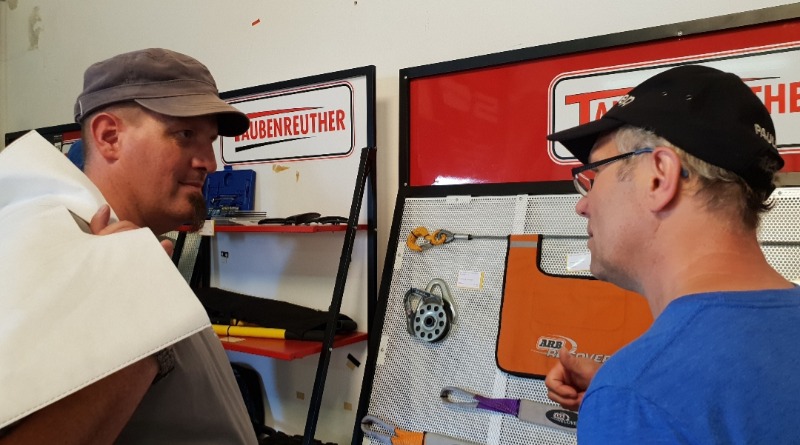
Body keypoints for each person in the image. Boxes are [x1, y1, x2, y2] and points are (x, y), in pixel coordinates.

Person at [0, 48, 258, 444]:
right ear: (109, 136)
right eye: (184, 135)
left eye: (210, 141)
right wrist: (136, 314)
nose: (209, 162)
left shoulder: (122, 247)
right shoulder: (59, 247)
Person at [543, 65, 800, 443]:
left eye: (595, 176)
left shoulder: (638, 396)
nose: (583, 206)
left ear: (658, 177)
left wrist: (631, 405)